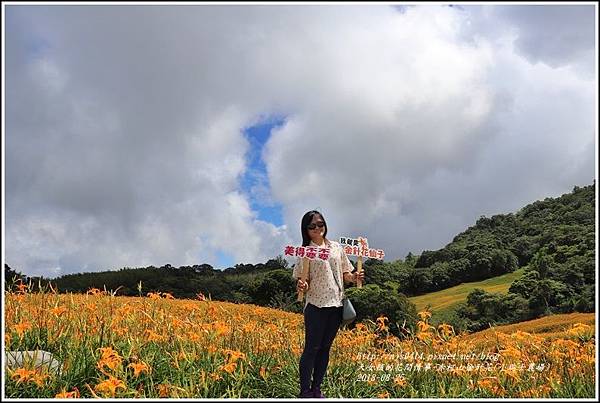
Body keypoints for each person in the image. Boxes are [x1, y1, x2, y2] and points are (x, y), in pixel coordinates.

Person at [292, 210, 364, 398]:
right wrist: (302, 284)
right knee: (311, 349)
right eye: (312, 226)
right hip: (316, 305)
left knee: (325, 349)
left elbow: (345, 274)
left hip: (336, 304)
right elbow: (303, 280)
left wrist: (354, 277)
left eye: (321, 224)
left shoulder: (336, 247)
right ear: (305, 230)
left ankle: (317, 389)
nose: (317, 228)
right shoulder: (305, 252)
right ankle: (305, 391)